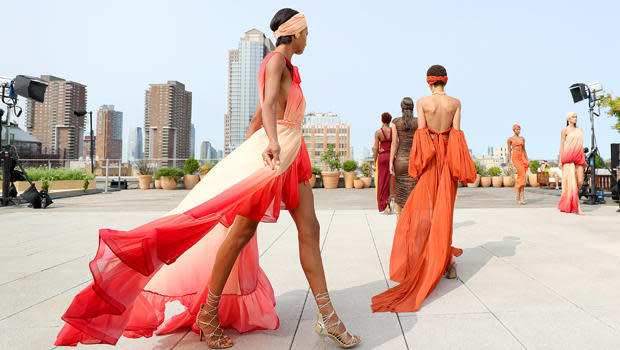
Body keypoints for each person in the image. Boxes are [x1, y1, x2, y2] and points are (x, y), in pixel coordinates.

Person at [54, 9, 360, 349]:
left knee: (309, 230)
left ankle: (327, 317)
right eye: (307, 33)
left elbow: (259, 115)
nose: (309, 39)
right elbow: (268, 104)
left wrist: (254, 147)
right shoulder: (274, 61)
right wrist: (267, 146)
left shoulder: (289, 69)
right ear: (297, 33)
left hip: (293, 155)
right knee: (240, 232)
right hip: (277, 153)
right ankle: (208, 312)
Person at [371, 65, 477, 313]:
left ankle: (428, 257)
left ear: (429, 82)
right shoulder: (455, 102)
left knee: (427, 209)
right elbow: (458, 135)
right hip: (448, 160)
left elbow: (421, 137)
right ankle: (446, 262)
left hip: (431, 160)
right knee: (445, 211)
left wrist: (418, 165)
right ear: (445, 81)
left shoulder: (423, 102)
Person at [390, 97, 418, 214]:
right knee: (414, 192)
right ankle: (411, 221)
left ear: (401, 108)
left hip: (400, 161)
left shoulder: (396, 122)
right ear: (412, 108)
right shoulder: (418, 122)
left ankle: (399, 221)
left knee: (400, 191)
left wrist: (391, 162)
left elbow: (394, 144)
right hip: (414, 161)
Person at [558, 112, 586, 214]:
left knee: (580, 181)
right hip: (568, 157)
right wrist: (560, 160)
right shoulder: (565, 130)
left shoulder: (579, 129)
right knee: (572, 183)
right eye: (573, 117)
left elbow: (581, 144)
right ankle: (577, 207)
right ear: (568, 119)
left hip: (579, 156)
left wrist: (584, 159)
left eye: (576, 117)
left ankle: (569, 201)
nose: (575, 118)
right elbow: (562, 145)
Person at [373, 112, 394, 214]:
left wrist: (374, 161)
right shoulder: (393, 132)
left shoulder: (378, 132)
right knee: (390, 182)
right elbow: (396, 144)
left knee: (382, 182)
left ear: (382, 120)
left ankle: (383, 205)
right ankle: (390, 203)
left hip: (382, 158)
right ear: (390, 120)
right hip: (391, 157)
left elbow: (376, 148)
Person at [508, 125, 529, 204]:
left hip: (522, 157)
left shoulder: (522, 138)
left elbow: (524, 149)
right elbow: (509, 151)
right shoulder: (510, 139)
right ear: (514, 130)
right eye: (517, 129)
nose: (518, 131)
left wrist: (527, 159)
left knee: (521, 176)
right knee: (522, 175)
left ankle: (519, 195)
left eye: (519, 129)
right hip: (515, 157)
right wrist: (510, 162)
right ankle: (521, 197)